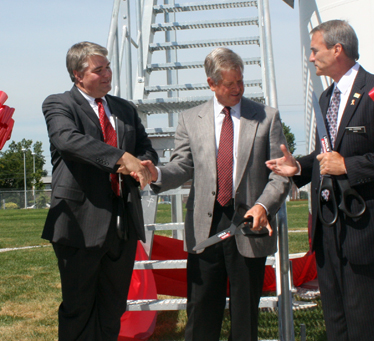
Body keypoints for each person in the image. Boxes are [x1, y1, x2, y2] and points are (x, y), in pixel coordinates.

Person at [266, 20, 374, 341]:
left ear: (337, 49)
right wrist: (298, 169)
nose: (311, 57)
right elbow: (326, 158)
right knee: (337, 323)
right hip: (328, 232)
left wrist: (349, 166)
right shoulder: (326, 98)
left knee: (367, 325)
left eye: (315, 50)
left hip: (365, 232)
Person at [143, 47, 290, 341]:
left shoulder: (266, 118)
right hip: (205, 228)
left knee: (246, 316)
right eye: (229, 84)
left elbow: (280, 173)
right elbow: (183, 166)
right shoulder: (189, 119)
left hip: (249, 225)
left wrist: (264, 206)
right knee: (200, 313)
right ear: (211, 83)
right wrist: (156, 174)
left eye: (241, 82)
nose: (237, 89)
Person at [42, 41, 158, 341]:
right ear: (77, 75)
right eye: (98, 70)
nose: (107, 74)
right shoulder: (59, 104)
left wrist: (145, 164)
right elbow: (68, 140)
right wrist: (120, 158)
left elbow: (144, 147)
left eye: (108, 68)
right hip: (79, 223)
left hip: (123, 224)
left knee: (113, 306)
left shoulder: (124, 109)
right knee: (78, 307)